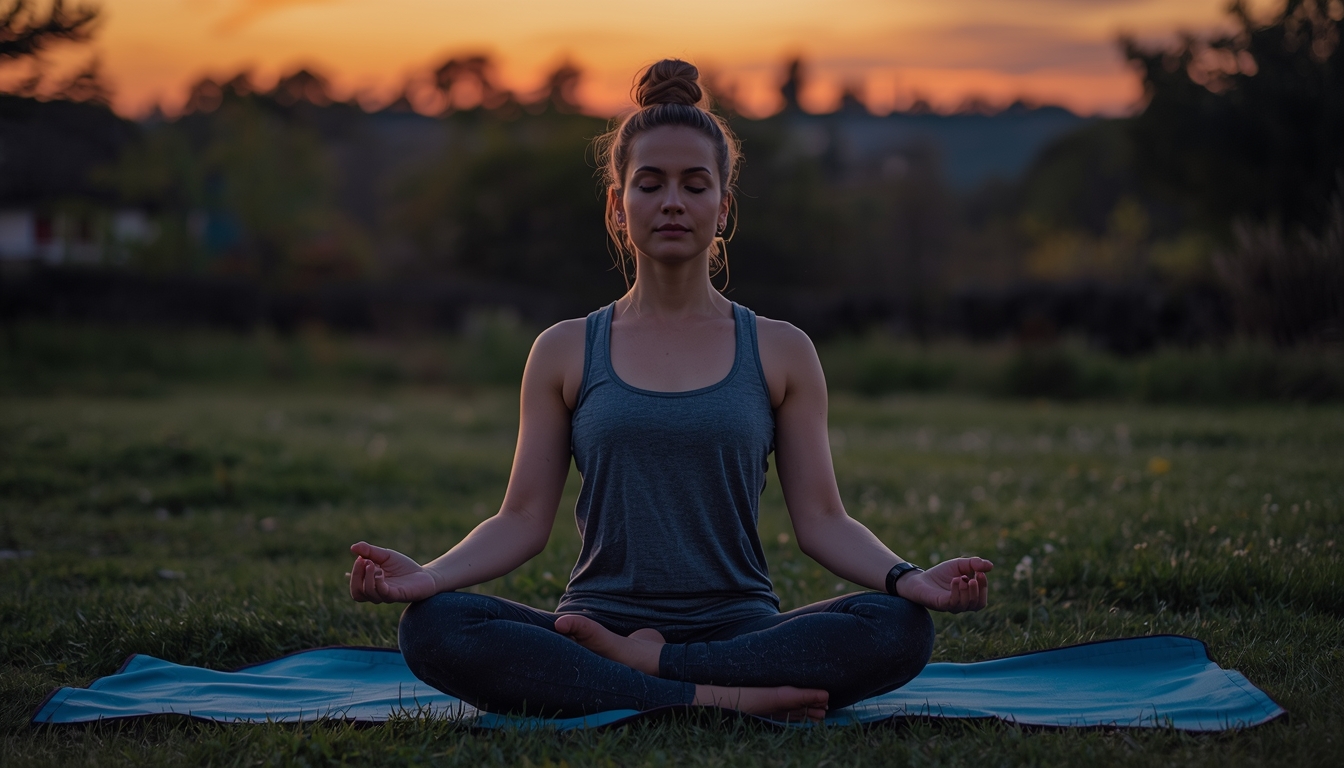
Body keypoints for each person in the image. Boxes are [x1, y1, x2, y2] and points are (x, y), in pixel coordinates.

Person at [348, 58, 993, 723]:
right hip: (594, 628)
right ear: (617, 206)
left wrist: (909, 579)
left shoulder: (781, 349)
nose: (673, 203)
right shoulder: (566, 349)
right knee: (436, 625)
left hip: (739, 630)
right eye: (650, 184)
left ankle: (654, 675)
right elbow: (520, 521)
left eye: (695, 184)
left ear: (723, 206)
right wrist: (427, 577)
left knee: (899, 626)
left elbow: (824, 522)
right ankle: (712, 697)